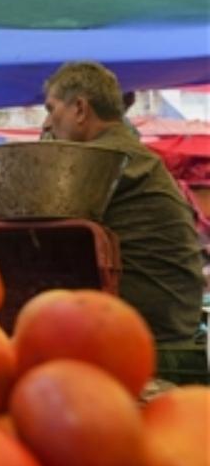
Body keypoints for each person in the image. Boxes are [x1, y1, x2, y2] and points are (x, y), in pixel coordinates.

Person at [42, 62, 206, 360]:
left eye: (51, 109)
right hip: (170, 323)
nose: (46, 124)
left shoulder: (105, 157)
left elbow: (40, 216)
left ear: (80, 108)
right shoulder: (127, 152)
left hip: (151, 336)